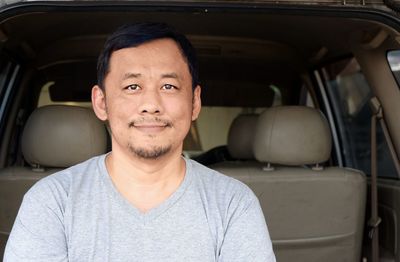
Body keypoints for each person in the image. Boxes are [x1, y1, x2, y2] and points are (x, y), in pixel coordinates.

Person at [4, 22, 276, 261]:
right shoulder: (52, 202)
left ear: (194, 102)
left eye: (168, 86)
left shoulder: (233, 203)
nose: (151, 105)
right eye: (132, 87)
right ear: (101, 102)